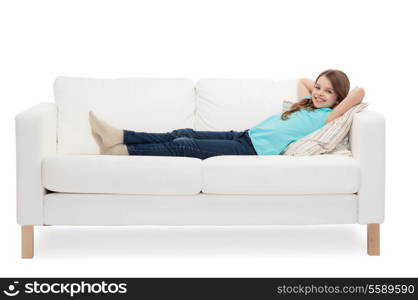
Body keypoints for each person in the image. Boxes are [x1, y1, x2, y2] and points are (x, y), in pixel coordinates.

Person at [89, 69, 365, 159]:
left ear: (338, 99)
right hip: (245, 135)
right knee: (182, 133)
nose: (318, 93)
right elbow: (304, 81)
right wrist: (316, 88)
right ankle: (121, 135)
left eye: (327, 92)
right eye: (319, 88)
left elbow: (359, 93)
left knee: (186, 146)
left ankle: (124, 151)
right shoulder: (306, 103)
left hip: (252, 149)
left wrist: (336, 98)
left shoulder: (327, 117)